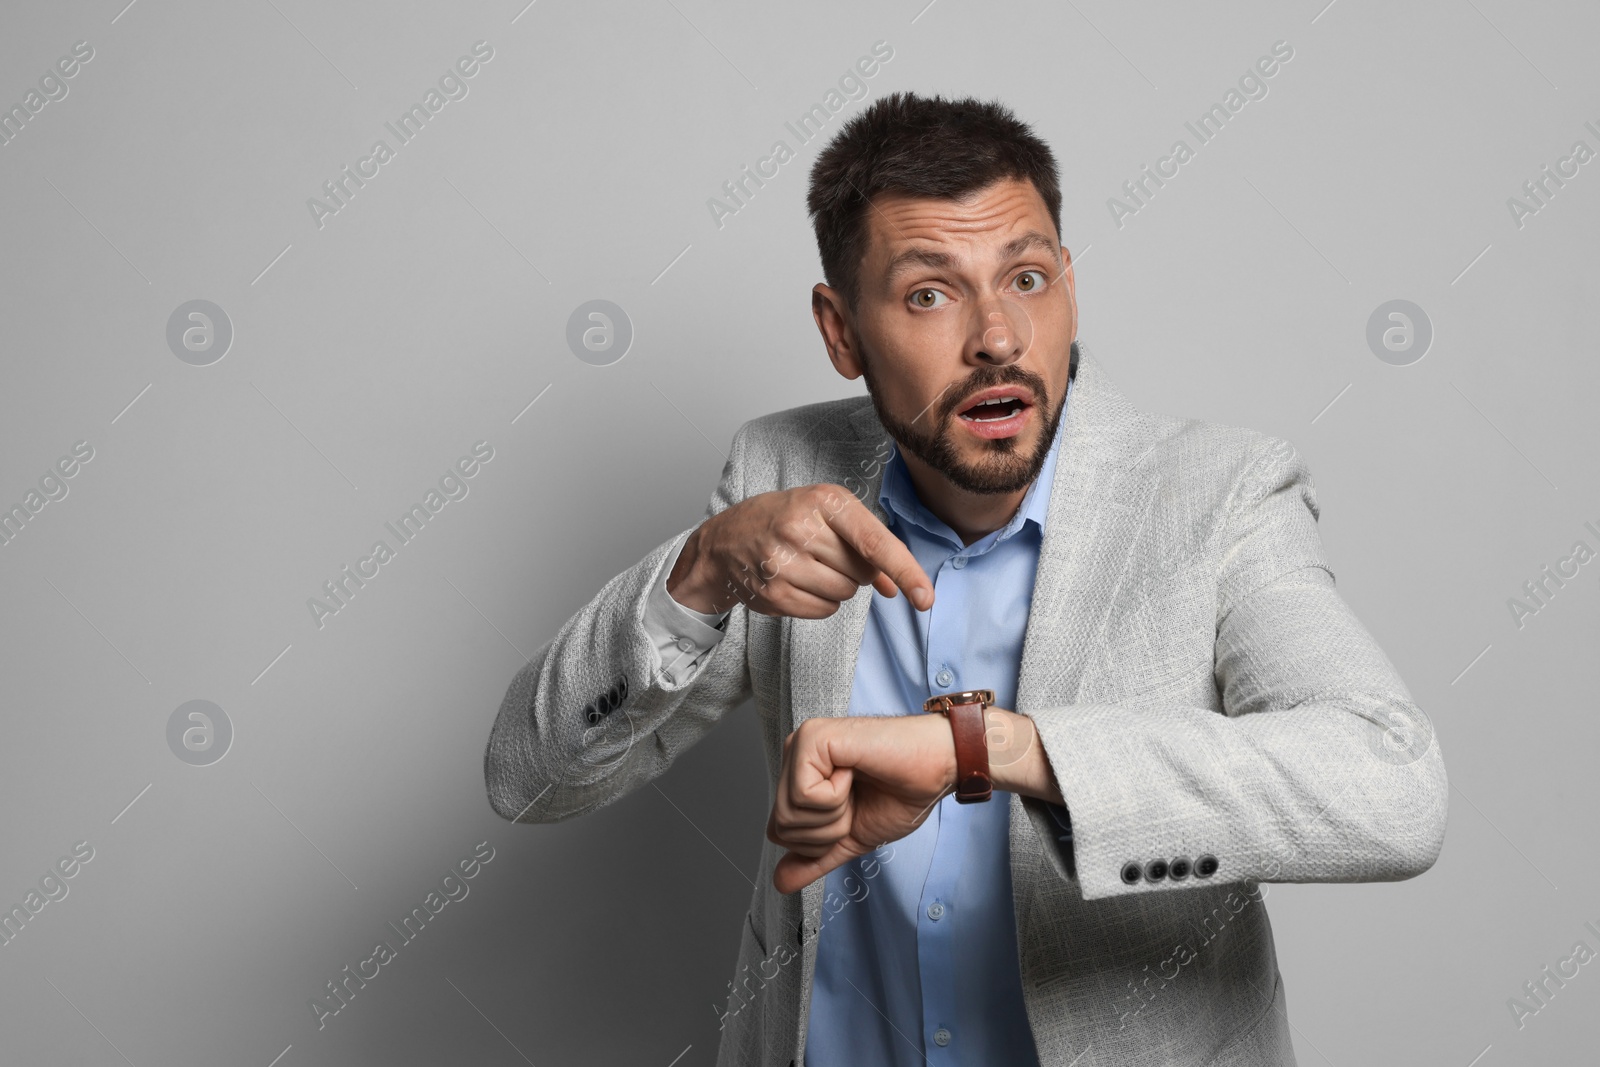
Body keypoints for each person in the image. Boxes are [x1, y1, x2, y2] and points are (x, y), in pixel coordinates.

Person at [484, 91, 1448, 1067]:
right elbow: (533, 779)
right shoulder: (780, 472)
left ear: (1070, 283)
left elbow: (1392, 786)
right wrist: (696, 572)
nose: (997, 335)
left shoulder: (1220, 495)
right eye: (929, 294)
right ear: (840, 330)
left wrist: (986, 748)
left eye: (1026, 277)